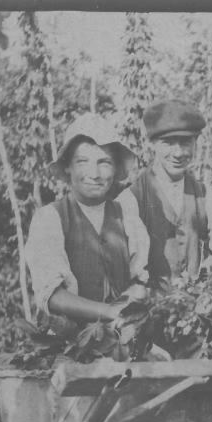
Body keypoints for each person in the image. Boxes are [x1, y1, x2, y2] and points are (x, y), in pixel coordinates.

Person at [25, 113, 150, 323]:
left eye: (104, 162)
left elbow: (139, 280)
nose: (94, 173)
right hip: (66, 343)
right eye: (82, 161)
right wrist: (110, 312)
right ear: (67, 166)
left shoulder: (127, 218)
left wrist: (130, 305)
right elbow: (52, 295)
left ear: (116, 168)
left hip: (121, 337)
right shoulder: (49, 219)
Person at [127, 99, 212, 288]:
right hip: (145, 309)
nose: (178, 153)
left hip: (195, 307)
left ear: (195, 142)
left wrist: (209, 276)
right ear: (152, 144)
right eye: (168, 143)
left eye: (186, 142)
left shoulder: (206, 196)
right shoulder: (131, 199)